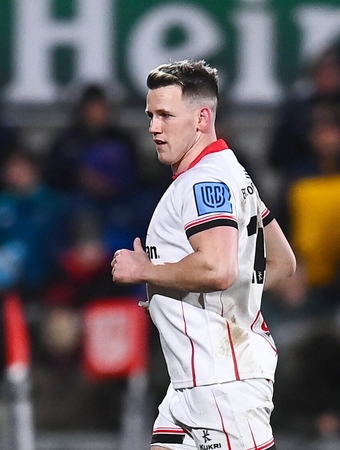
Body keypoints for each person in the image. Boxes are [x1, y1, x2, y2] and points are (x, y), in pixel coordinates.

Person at [110, 60, 297, 450]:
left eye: (165, 115)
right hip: (192, 383)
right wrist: (192, 301)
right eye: (150, 115)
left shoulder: (205, 181)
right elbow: (281, 262)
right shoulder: (233, 174)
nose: (153, 128)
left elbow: (217, 268)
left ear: (201, 117)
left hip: (221, 385)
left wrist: (147, 270)